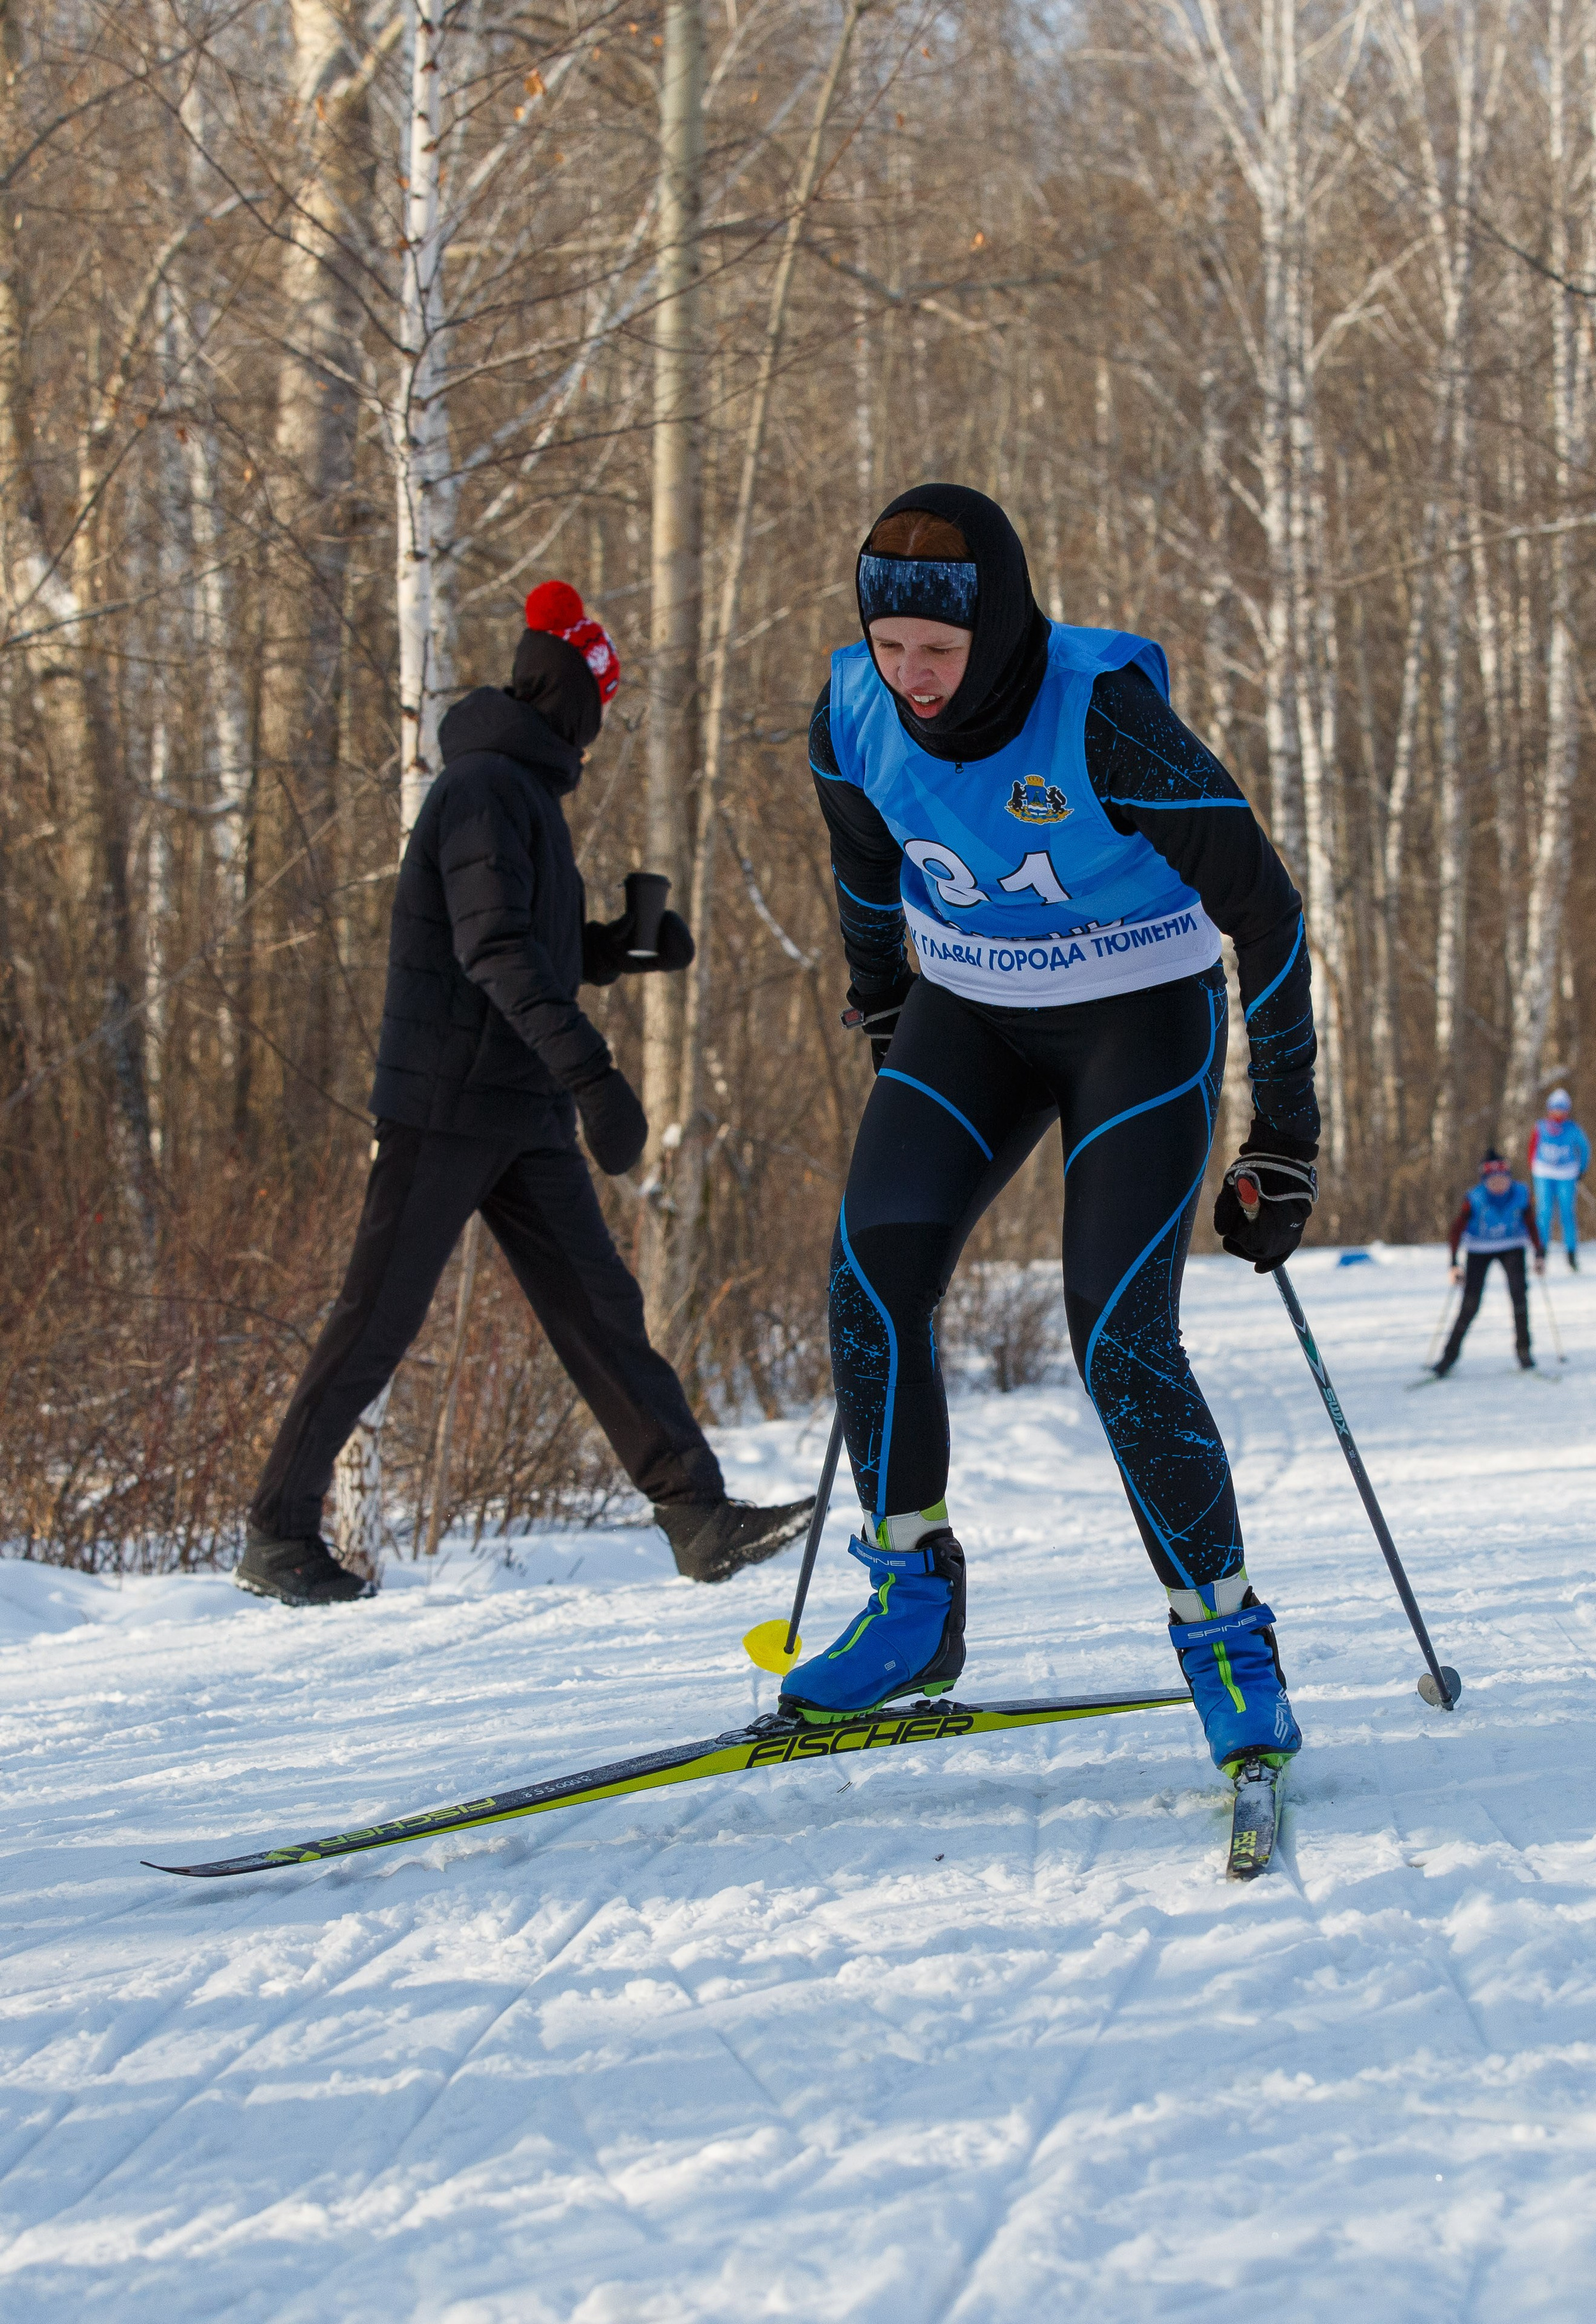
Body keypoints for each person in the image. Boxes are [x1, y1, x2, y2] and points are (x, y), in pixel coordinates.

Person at [783, 482, 1318, 1786]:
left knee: (1117, 1333)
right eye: (889, 643)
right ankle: (910, 1603)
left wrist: (1284, 1134)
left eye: (938, 649)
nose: (911, 675)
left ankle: (1226, 1645)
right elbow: (864, 867)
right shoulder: (851, 712)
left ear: (1002, 625)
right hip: (970, 1009)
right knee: (869, 1276)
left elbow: (1266, 909)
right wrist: (881, 1004)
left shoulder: (1105, 718)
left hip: (1137, 1015)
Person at [236, 582, 812, 1606]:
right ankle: (278, 1532)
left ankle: (697, 1515)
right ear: (568, 693)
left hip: (517, 1105)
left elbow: (526, 945)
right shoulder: (484, 790)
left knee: (599, 1308)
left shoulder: (523, 796)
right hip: (446, 1103)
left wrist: (615, 950)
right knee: (379, 1315)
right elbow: (493, 950)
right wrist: (595, 1074)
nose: (601, 725)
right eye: (601, 701)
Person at [1432, 1149, 1543, 1377]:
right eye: (1493, 1181)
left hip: (1512, 1246)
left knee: (1519, 1297)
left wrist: (1540, 1254)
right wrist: (1454, 1264)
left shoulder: (1521, 1193)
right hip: (1479, 1249)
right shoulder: (1474, 1198)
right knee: (1470, 1304)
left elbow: (1532, 1224)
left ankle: (1524, 1353)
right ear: (1485, 1181)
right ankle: (1448, 1358)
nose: (1499, 1185)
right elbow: (1456, 1230)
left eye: (1503, 1180)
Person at [1528, 1087, 1590, 1271]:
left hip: (1566, 1175)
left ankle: (1571, 1255)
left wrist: (1581, 1169)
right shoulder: (1540, 1126)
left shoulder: (1573, 1129)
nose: (1558, 1113)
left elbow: (1585, 1148)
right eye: (1555, 1109)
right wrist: (1534, 1167)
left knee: (1567, 1214)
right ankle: (1541, 1253)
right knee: (1544, 1213)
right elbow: (1532, 1148)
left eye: (1562, 1109)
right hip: (1544, 1173)